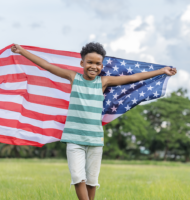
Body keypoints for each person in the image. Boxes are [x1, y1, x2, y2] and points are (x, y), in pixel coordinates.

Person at [11, 42, 177, 200]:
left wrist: (161, 71)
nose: (94, 66)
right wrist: (22, 51)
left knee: (92, 180)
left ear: (102, 66)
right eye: (90, 62)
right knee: (77, 176)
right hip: (74, 139)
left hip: (95, 139)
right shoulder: (73, 77)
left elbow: (133, 78)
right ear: (82, 62)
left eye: (98, 64)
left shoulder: (103, 82)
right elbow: (46, 65)